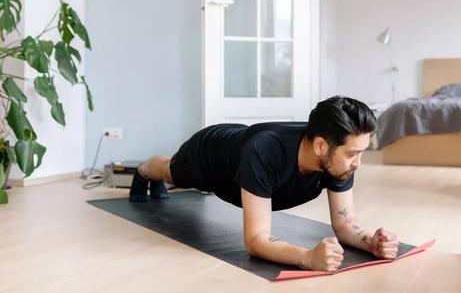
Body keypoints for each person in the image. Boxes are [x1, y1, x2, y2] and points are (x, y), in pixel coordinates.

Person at [130, 96, 399, 271]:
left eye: (362, 152)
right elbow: (256, 240)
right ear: (320, 146)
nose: (358, 163)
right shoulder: (265, 151)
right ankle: (143, 170)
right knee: (172, 172)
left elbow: (345, 220)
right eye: (353, 154)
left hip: (242, 143)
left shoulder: (336, 156)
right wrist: (308, 257)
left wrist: (369, 242)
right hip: (208, 154)